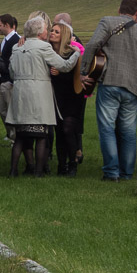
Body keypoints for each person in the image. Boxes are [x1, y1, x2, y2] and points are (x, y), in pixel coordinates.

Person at [80, 0, 137, 182]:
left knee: (107, 128)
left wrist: (85, 71)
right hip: (133, 88)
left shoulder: (108, 22)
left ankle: (111, 172)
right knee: (129, 131)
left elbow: (92, 44)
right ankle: (126, 173)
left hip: (110, 82)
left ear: (119, 10)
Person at [5, 16, 79, 177]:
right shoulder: (44, 47)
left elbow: (11, 71)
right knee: (41, 134)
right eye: (46, 28)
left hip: (19, 93)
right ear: (40, 32)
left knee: (20, 135)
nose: (48, 31)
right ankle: (38, 171)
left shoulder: (16, 48)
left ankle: (13, 170)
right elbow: (64, 66)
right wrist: (77, 53)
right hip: (38, 92)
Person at [49, 21, 86, 176]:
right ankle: (61, 165)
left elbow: (76, 77)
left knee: (68, 129)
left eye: (57, 32)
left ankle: (73, 164)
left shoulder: (71, 53)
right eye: (52, 30)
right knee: (59, 131)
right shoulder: (48, 52)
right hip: (56, 97)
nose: (52, 33)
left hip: (72, 97)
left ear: (63, 35)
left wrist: (61, 73)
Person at [0, 14, 20, 145]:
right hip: (3, 80)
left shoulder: (16, 40)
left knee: (11, 111)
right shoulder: (5, 39)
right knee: (3, 111)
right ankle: (11, 135)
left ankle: (15, 138)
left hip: (9, 81)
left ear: (7, 25)